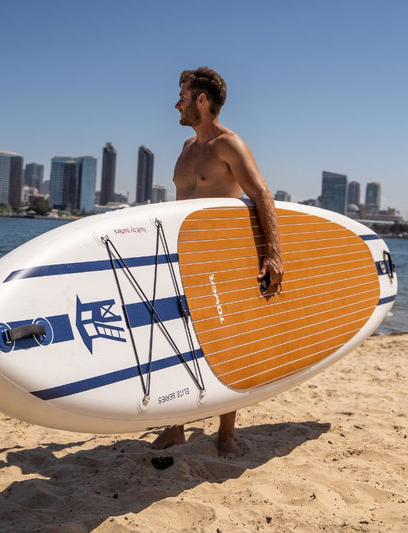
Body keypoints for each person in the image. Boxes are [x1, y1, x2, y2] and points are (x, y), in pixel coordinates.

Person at [151, 67, 284, 456]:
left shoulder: (230, 145)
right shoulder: (186, 148)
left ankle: (226, 433)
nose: (177, 102)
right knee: (177, 339)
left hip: (223, 258)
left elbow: (261, 194)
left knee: (229, 343)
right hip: (183, 257)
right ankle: (176, 426)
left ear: (202, 101)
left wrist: (273, 253)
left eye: (183, 95)